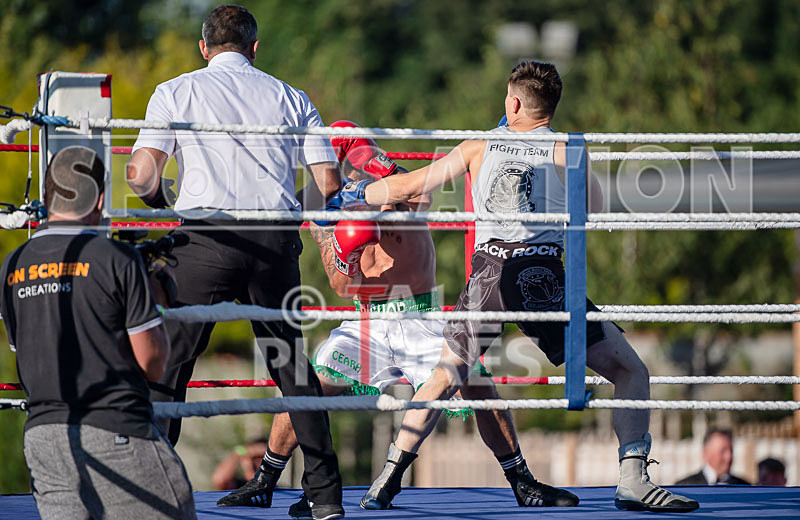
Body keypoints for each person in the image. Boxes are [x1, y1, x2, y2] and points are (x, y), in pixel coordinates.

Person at [332, 60, 700, 513]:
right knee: (630, 372)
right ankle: (631, 480)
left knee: (446, 377)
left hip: (488, 274)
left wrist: (348, 199)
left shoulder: (478, 146)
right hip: (542, 276)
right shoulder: (568, 150)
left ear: (514, 102)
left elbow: (408, 185)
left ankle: (386, 480)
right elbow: (597, 208)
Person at [216, 123, 578, 513]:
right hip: (366, 322)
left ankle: (521, 482)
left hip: (419, 314)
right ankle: (265, 480)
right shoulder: (324, 214)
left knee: (476, 384)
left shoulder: (393, 188)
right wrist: (344, 251)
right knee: (307, 384)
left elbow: (421, 195)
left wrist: (377, 164)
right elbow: (341, 286)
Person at [125, 5, 343, 518]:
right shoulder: (291, 96)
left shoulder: (176, 91)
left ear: (204, 48)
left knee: (170, 364)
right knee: (291, 366)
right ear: (254, 47)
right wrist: (293, 215)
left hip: (204, 237)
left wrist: (164, 198)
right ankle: (327, 496)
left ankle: (153, 489)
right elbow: (329, 183)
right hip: (273, 240)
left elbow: (139, 175)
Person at [0, 146, 196, 519]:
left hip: (42, 438)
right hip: (116, 428)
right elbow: (153, 363)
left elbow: (23, 347)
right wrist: (154, 300)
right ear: (102, 198)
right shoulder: (115, 259)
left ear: (46, 198)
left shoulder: (12, 264)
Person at [675, 428, 750, 485]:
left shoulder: (745, 487)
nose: (729, 457)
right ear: (706, 452)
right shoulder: (685, 487)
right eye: (722, 451)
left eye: (731, 450)